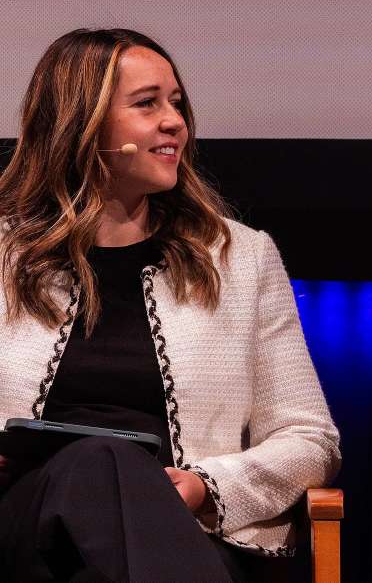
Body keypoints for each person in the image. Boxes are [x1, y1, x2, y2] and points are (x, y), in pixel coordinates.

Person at [0, 29, 341, 581]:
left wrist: (206, 485)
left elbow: (310, 440)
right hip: (23, 531)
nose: (174, 122)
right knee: (98, 460)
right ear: (79, 123)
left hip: (183, 533)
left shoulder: (240, 257)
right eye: (146, 104)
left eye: (177, 103)